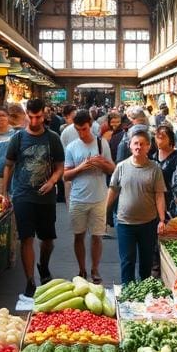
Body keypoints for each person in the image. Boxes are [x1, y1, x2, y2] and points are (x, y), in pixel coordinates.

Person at [3, 98, 65, 297]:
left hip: (46, 198)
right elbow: (9, 165)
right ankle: (30, 281)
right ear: (27, 115)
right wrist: (4, 193)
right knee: (26, 238)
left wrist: (53, 181)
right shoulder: (18, 138)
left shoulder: (53, 138)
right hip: (23, 196)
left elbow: (60, 167)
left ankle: (43, 265)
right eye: (31, 117)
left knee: (47, 240)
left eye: (38, 117)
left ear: (44, 114)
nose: (35, 121)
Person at [107, 132, 167, 284]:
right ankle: (128, 292)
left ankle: (144, 292)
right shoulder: (121, 167)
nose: (138, 147)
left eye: (142, 144)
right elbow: (113, 191)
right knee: (127, 261)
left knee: (146, 262)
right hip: (125, 223)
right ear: (130, 146)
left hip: (148, 223)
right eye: (135, 143)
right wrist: (103, 212)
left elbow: (159, 195)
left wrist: (161, 219)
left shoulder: (155, 168)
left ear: (148, 146)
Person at [63, 111, 115, 283]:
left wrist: (101, 163)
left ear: (91, 125)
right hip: (78, 198)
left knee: (97, 236)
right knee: (79, 235)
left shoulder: (102, 144)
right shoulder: (72, 147)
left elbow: (112, 169)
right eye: (78, 130)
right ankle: (82, 269)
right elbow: (66, 175)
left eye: (84, 129)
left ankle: (95, 269)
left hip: (99, 197)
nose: (82, 133)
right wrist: (81, 167)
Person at [150, 124, 177, 215]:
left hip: (172, 200)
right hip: (155, 198)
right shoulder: (154, 155)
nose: (159, 141)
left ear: (170, 139)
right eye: (157, 137)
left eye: (163, 138)